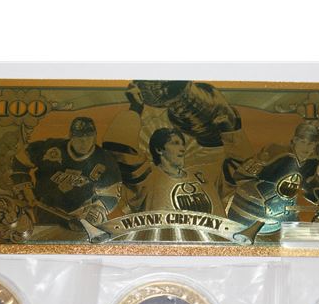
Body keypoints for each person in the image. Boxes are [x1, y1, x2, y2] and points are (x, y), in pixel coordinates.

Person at [102, 82, 255, 218]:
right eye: (175, 143)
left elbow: (244, 170)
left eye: (182, 143)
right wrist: (136, 107)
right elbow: (118, 151)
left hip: (210, 240)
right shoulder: (146, 178)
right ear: (159, 149)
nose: (182, 147)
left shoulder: (204, 176)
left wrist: (230, 130)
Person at [11, 116, 122, 227]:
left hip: (79, 219)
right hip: (43, 211)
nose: (84, 142)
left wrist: (99, 209)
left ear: (95, 136)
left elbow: (113, 192)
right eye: (79, 137)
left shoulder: (106, 160)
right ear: (70, 136)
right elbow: (20, 160)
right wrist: (25, 189)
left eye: (88, 136)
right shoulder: (52, 148)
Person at [227, 122, 319, 234]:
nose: (306, 148)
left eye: (311, 144)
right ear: (295, 140)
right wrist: (265, 196)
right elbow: (242, 175)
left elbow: (309, 183)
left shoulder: (311, 162)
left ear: (315, 146)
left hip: (282, 217)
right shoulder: (275, 153)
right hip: (248, 213)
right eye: (303, 142)